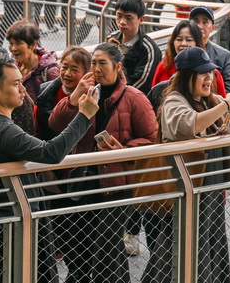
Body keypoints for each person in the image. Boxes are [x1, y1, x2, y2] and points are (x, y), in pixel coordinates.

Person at [0, 57, 100, 282]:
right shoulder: (2, 129)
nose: (23, 90)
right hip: (14, 223)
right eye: (15, 84)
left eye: (21, 82)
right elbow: (51, 153)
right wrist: (84, 115)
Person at [49, 43, 158, 283]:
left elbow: (152, 138)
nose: (96, 69)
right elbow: (55, 124)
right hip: (83, 181)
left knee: (106, 248)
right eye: (93, 63)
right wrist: (75, 96)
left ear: (117, 67)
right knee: (83, 249)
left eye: (102, 63)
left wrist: (124, 150)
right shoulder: (87, 93)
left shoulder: (134, 97)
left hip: (117, 185)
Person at [147, 47, 230, 283]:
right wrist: (226, 105)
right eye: (202, 73)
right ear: (187, 76)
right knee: (180, 237)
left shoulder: (210, 101)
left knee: (210, 235)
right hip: (186, 185)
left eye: (210, 72)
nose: (209, 77)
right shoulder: (174, 100)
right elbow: (191, 124)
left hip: (210, 185)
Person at [106, 0, 163, 91]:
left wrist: (115, 94)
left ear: (141, 19)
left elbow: (142, 82)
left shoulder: (149, 49)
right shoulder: (111, 38)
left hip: (132, 97)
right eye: (119, 16)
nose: (122, 22)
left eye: (129, 18)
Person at [35, 46, 92, 139]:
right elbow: (37, 128)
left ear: (87, 73)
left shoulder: (91, 97)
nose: (67, 73)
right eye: (64, 67)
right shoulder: (46, 92)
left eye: (74, 70)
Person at [6, 20, 59, 102]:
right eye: (11, 43)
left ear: (33, 44)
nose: (13, 48)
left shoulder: (49, 72)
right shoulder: (12, 66)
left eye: (18, 43)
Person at [189, 6, 230, 92]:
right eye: (196, 22)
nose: (200, 26)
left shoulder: (223, 55)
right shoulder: (181, 50)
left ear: (213, 28)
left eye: (205, 22)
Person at [150, 20, 204, 89]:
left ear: (197, 43)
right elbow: (154, 93)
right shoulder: (163, 67)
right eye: (179, 39)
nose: (183, 44)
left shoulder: (208, 72)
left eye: (189, 40)